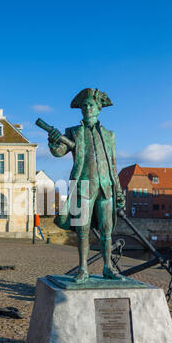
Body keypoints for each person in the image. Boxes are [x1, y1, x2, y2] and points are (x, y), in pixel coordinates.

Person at [48, 88, 125, 282]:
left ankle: (108, 267)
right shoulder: (73, 132)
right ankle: (83, 269)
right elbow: (58, 152)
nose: (87, 108)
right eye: (84, 105)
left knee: (107, 229)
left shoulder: (109, 135)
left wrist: (118, 190)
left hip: (106, 186)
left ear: (99, 107)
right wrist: (53, 140)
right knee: (82, 229)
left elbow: (113, 165)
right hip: (84, 186)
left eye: (91, 104)